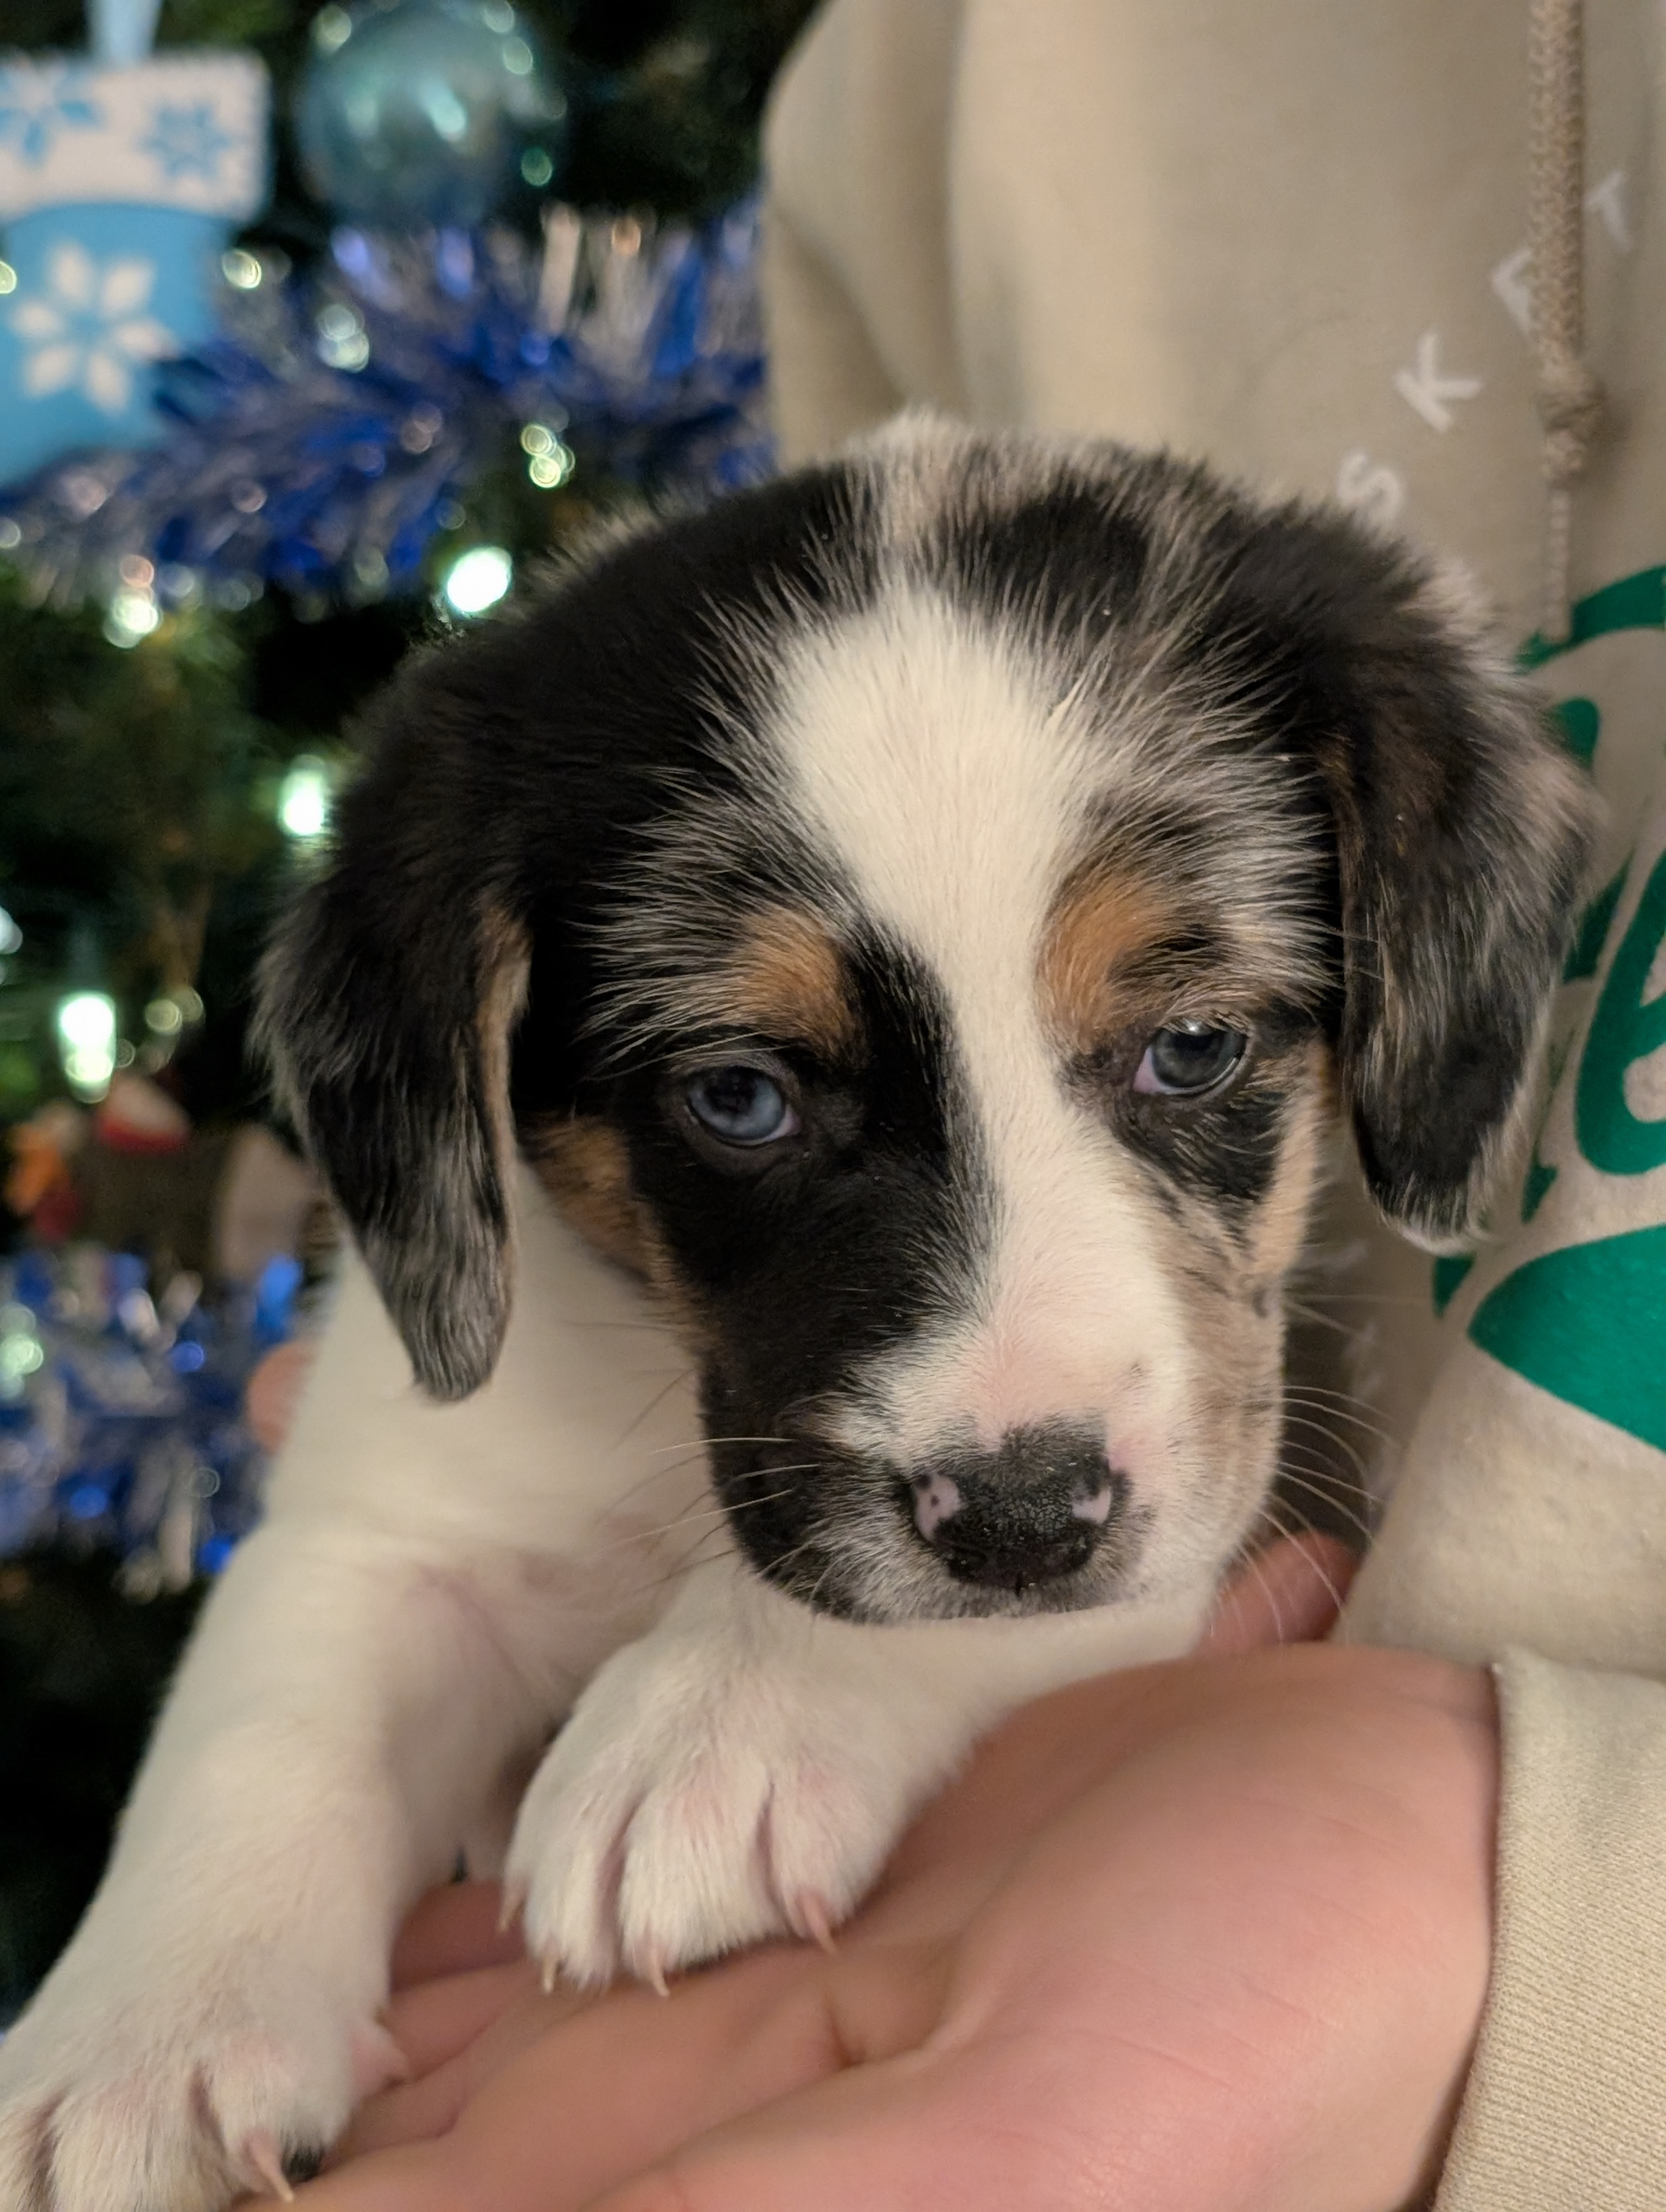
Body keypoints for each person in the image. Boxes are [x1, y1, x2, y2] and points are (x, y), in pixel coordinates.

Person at [283, 2, 1666, 2203]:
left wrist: (1540, 1920)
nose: (1005, 1396)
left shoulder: (1367, 749)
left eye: (1190, 1052)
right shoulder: (951, 72)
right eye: (747, 1091)